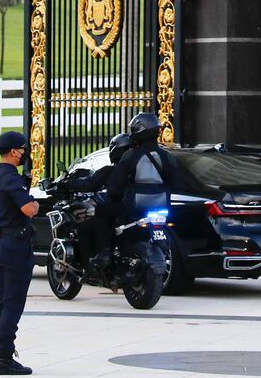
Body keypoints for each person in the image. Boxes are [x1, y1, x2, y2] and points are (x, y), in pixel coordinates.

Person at [0, 131, 39, 376]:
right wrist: (34, 203)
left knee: (1, 302)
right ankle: (4, 357)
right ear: (14, 152)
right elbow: (28, 209)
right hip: (16, 246)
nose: (25, 153)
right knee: (13, 304)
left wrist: (3, 234)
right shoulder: (11, 180)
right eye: (23, 149)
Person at [61, 133, 132, 267]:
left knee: (93, 216)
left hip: (123, 207)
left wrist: (66, 184)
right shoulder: (142, 166)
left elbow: (89, 183)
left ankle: (103, 254)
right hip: (146, 207)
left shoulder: (113, 170)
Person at [107, 112, 178, 240]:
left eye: (133, 129)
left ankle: (109, 254)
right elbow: (178, 184)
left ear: (140, 130)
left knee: (114, 229)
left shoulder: (129, 156)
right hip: (161, 209)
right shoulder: (167, 156)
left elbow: (114, 189)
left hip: (134, 210)